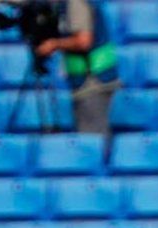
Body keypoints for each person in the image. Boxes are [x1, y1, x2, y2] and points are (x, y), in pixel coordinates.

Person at [36, 0, 120, 139]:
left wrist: (54, 44)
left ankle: (97, 160)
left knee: (92, 137)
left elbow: (83, 41)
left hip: (92, 80)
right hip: (87, 78)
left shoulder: (76, 3)